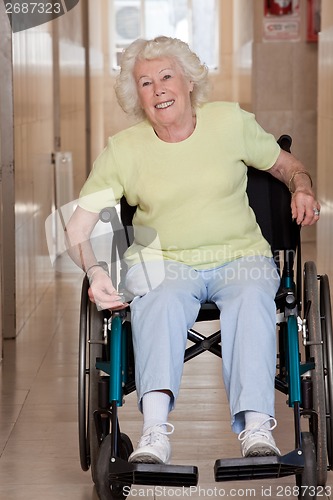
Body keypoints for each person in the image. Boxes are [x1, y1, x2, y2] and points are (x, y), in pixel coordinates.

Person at [66, 36, 320, 464]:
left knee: (251, 297)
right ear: (137, 97)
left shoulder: (229, 122)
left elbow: (286, 165)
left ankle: (257, 428)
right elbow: (77, 228)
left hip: (240, 255)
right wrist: (95, 272)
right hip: (164, 262)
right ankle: (154, 433)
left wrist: (303, 188)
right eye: (146, 83)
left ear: (188, 82)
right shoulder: (124, 149)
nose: (159, 89)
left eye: (167, 77)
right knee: (157, 299)